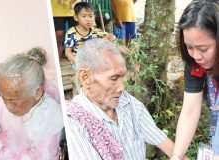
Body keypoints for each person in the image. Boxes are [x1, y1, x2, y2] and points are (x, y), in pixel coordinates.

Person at [64, 39, 181, 160]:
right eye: (114, 78)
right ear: (85, 77)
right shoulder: (73, 124)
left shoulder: (127, 102)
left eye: (122, 77)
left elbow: (163, 141)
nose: (122, 87)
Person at [0, 47, 64, 159]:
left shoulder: (51, 117)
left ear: (37, 93)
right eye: (3, 97)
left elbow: (46, 154)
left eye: (12, 100)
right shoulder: (4, 102)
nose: (7, 106)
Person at [172, 0, 219, 159]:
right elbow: (190, 111)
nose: (196, 56)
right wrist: (177, 156)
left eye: (203, 49)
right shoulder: (195, 64)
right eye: (189, 47)